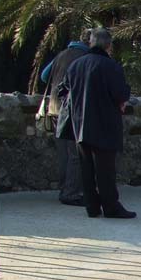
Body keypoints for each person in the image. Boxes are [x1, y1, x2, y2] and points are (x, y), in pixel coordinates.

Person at [64, 27, 136, 219]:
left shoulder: (75, 65)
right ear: (108, 46)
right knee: (105, 170)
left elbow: (65, 89)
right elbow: (120, 94)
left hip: (80, 124)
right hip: (104, 124)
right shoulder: (111, 67)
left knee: (86, 168)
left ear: (91, 43)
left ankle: (92, 206)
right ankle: (111, 207)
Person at [38, 29, 90, 206]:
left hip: (54, 108)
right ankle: (71, 192)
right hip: (72, 110)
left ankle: (64, 187)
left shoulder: (62, 54)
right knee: (76, 154)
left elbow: (44, 76)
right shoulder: (85, 57)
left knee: (63, 153)